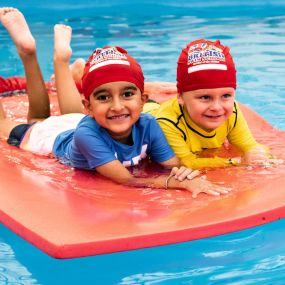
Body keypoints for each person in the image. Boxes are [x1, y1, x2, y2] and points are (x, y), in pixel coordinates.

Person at [0, 7, 230, 198]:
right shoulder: (87, 135)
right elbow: (126, 179)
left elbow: (171, 164)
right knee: (35, 120)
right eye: (104, 97)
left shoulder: (149, 123)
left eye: (127, 95)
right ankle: (28, 52)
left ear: (143, 100)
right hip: (47, 139)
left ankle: (61, 59)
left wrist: (187, 175)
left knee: (64, 115)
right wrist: (175, 183)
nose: (117, 106)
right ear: (88, 106)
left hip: (77, 122)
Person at [144, 39, 281, 169]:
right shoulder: (166, 123)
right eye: (205, 97)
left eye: (226, 96)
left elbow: (249, 145)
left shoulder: (232, 109)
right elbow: (185, 162)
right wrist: (237, 162)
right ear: (180, 97)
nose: (217, 107)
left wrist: (257, 153)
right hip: (147, 110)